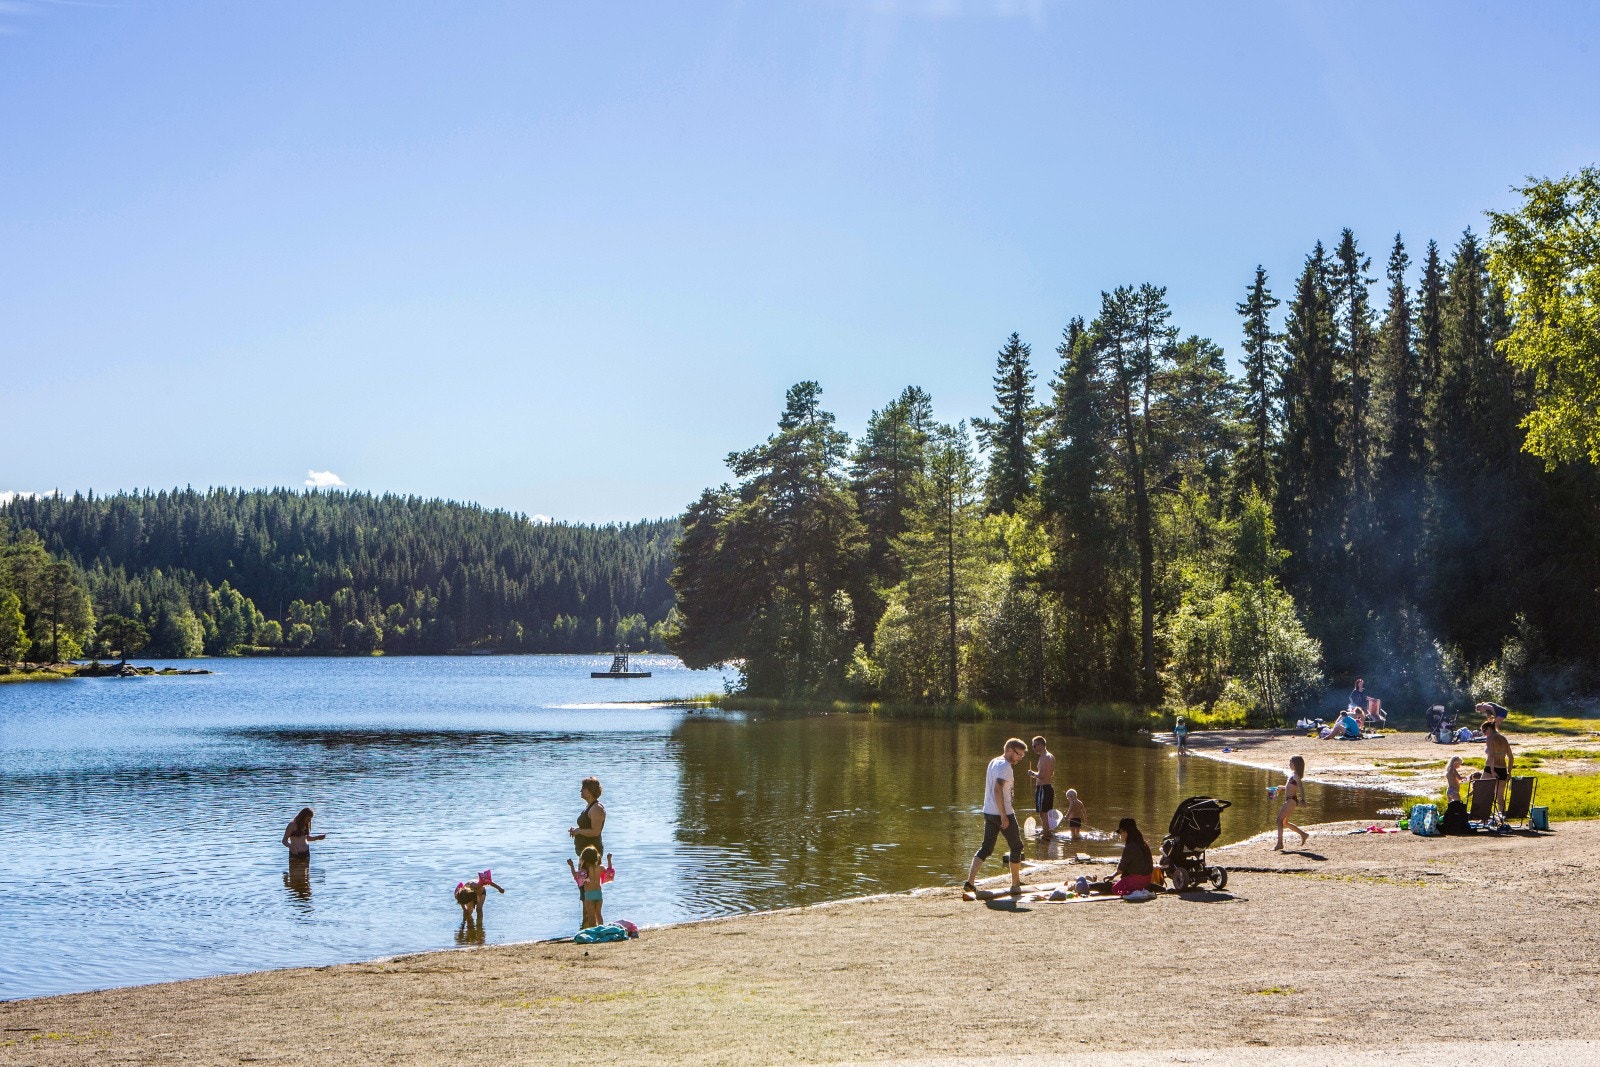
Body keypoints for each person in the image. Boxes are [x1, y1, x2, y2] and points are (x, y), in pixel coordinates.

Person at [964, 738, 1027, 896]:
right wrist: (1004, 816)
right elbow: (997, 789)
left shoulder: (994, 761)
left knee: (986, 848)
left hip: (989, 811)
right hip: (1001, 813)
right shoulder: (1005, 766)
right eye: (1019, 754)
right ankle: (1015, 885)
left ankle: (970, 882)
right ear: (1010, 750)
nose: (1020, 758)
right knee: (1016, 847)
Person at [1100, 817, 1153, 896]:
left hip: (1137, 881)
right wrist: (1113, 876)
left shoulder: (1130, 847)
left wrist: (1114, 874)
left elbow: (1120, 870)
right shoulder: (1143, 844)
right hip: (1148, 879)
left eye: (1120, 832)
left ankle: (1131, 891)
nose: (1120, 835)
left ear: (1125, 832)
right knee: (1119, 882)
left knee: (1114, 888)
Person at [567, 847, 614, 929]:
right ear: (596, 857)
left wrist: (571, 865)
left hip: (589, 896)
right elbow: (610, 871)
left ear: (584, 858)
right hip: (599, 894)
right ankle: (601, 929)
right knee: (599, 914)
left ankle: (594, 931)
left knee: (591, 916)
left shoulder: (585, 871)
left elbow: (575, 875)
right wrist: (609, 859)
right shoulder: (600, 867)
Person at [1273, 755, 1309, 850]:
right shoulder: (1293, 774)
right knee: (1284, 823)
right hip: (1290, 800)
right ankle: (1303, 834)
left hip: (1291, 801)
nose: (1289, 764)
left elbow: (1300, 787)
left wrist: (1303, 799)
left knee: (1278, 821)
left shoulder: (1296, 776)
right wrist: (1281, 788)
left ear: (1295, 764)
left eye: (1290, 762)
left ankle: (1280, 844)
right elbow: (1290, 787)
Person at [1027, 735, 1056, 837]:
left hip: (1043, 788)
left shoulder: (1044, 758)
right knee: (1046, 814)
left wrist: (1032, 773)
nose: (1033, 748)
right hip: (1048, 788)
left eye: (1034, 746)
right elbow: (1051, 774)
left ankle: (1046, 837)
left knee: (1043, 814)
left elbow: (1042, 775)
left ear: (1041, 745)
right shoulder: (1051, 756)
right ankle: (1047, 835)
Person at [569, 777, 606, 857]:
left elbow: (595, 832)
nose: (580, 791)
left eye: (583, 788)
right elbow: (587, 826)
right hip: (585, 855)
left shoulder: (597, 808)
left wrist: (578, 831)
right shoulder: (590, 806)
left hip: (592, 856)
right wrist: (576, 830)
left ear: (590, 791)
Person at [1482, 720, 1515, 810]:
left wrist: (1492, 770)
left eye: (1484, 731)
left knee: (1482, 790)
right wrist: (1509, 772)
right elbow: (1511, 757)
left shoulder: (1490, 738)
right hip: (1502, 769)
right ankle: (1502, 816)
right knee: (1499, 795)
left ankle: (1483, 816)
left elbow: (1492, 755)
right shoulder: (1503, 738)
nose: (1484, 734)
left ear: (1489, 728)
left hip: (1490, 767)